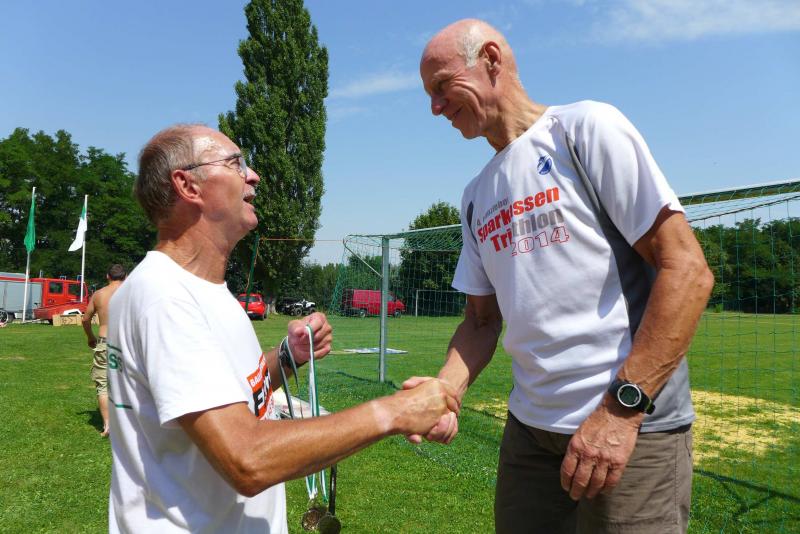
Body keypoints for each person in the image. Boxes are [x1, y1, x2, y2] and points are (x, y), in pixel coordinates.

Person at [411, 19, 714, 533]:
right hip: (530, 433)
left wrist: (619, 413)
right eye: (429, 95)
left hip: (630, 426)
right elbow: (481, 321)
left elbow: (687, 270)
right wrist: (445, 390)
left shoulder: (583, 131)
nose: (435, 107)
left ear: (490, 60)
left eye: (442, 86)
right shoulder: (476, 195)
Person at [106, 124, 458, 533]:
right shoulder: (166, 298)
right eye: (235, 163)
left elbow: (227, 392)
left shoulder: (200, 290)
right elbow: (246, 458)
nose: (253, 176)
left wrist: (288, 357)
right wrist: (395, 411)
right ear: (188, 185)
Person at [81, 263, 127, 437]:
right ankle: (128, 424)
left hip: (104, 341)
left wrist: (90, 337)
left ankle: (107, 425)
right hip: (126, 342)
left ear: (107, 276)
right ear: (126, 276)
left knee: (102, 385)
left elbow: (85, 319)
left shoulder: (99, 294)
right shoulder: (131, 293)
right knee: (128, 383)